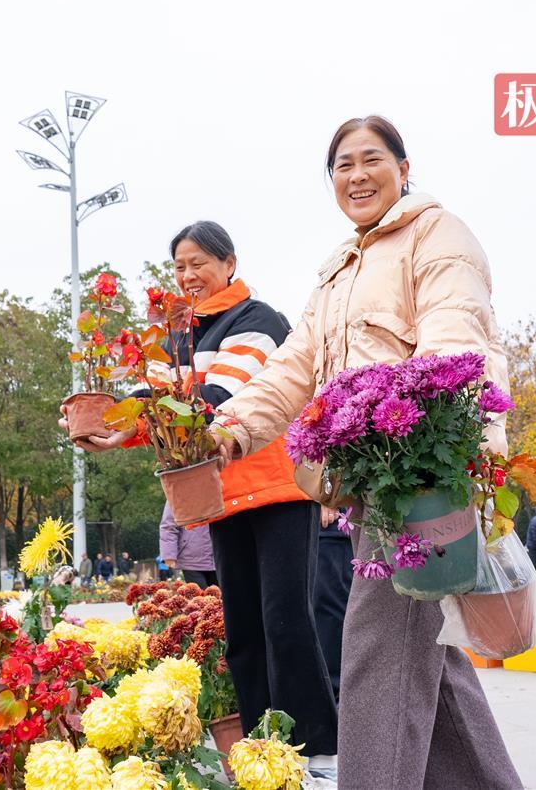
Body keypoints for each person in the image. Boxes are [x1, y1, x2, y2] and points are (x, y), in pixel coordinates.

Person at [209, 116, 520, 788]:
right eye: (342, 165)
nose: (356, 175)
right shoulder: (338, 273)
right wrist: (220, 432)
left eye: (371, 159)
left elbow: (453, 333)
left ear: (404, 169)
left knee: (376, 655)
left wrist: (419, 429)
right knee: (431, 665)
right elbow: (291, 372)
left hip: (425, 477)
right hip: (374, 485)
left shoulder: (438, 234)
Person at [62, 221, 338, 780]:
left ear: (229, 263)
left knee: (286, 623)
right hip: (221, 496)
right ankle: (265, 756)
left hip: (278, 491)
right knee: (243, 631)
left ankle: (319, 753)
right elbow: (157, 400)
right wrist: (114, 423)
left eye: (199, 263)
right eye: (179, 267)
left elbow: (219, 396)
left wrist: (139, 416)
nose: (188, 276)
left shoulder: (258, 320)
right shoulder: (176, 337)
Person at [315, 506, 354, 703]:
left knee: (331, 618)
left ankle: (341, 708)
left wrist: (326, 496)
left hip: (330, 524)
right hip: (324, 527)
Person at [158, 502, 217, 588]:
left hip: (220, 555)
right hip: (191, 559)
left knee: (223, 598)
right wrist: (169, 555)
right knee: (199, 598)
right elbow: (169, 526)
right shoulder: (179, 490)